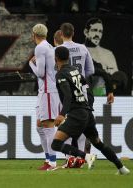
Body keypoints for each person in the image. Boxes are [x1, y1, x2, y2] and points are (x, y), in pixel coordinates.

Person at [51, 46, 130, 175]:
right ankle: (121, 168)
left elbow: (68, 96)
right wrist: (87, 103)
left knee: (56, 144)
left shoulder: (61, 74)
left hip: (76, 113)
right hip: (86, 112)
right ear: (68, 58)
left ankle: (86, 156)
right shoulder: (75, 70)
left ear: (56, 58)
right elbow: (85, 85)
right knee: (98, 143)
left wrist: (61, 115)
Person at [29, 24, 60, 170]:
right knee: (40, 126)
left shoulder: (40, 48)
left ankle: (52, 162)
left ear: (34, 34)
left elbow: (40, 73)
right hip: (45, 91)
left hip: (48, 91)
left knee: (48, 126)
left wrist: (31, 64)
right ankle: (48, 159)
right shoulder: (49, 47)